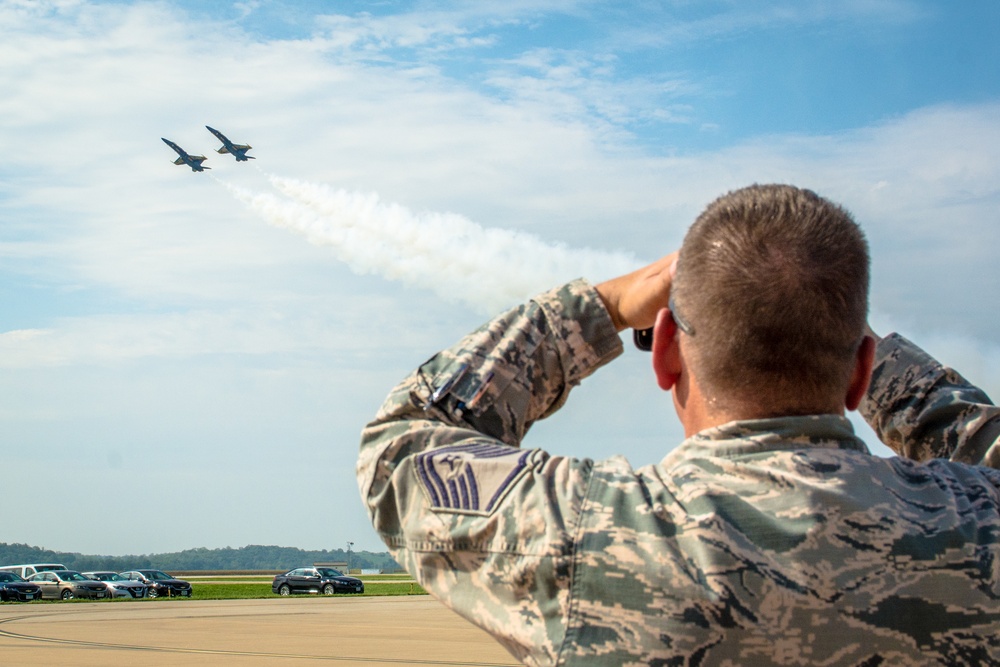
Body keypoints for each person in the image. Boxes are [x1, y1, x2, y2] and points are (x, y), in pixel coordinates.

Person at [357, 184, 1000, 666]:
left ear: (664, 349)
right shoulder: (977, 527)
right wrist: (854, 346)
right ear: (863, 372)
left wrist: (601, 308)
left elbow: (403, 444)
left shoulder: (589, 531)